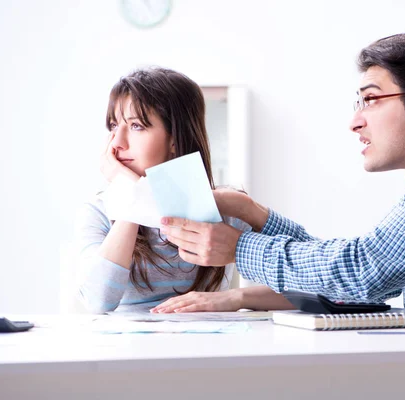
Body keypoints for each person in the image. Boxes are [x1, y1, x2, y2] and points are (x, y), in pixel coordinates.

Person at [159, 31, 405, 399]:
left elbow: (365, 271)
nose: (355, 121)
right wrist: (256, 215)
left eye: (369, 100)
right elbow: (364, 276)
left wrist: (242, 248)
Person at [73, 67, 293, 314]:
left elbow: (306, 287)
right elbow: (98, 301)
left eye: (136, 126)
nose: (117, 142)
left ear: (175, 139)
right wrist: (131, 196)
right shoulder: (99, 211)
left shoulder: (223, 206)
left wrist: (236, 297)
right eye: (114, 126)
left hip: (205, 344)